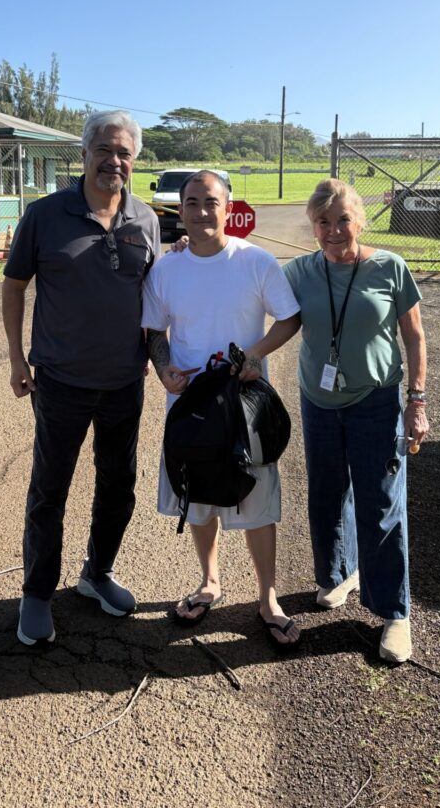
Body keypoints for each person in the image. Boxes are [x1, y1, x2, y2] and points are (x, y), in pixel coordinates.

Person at [2, 110, 160, 645]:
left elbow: (154, 296)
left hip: (124, 383)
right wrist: (16, 358)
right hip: (61, 383)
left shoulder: (145, 220)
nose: (114, 161)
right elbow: (14, 285)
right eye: (105, 150)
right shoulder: (45, 215)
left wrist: (157, 354)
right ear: (85, 153)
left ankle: (97, 573)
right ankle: (36, 593)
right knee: (50, 490)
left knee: (118, 486)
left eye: (124, 153)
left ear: (134, 161)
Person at [142, 171, 302, 651]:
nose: (201, 211)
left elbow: (290, 317)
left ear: (228, 208)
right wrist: (164, 367)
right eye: (192, 202)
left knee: (257, 502)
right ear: (180, 210)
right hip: (189, 407)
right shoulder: (167, 269)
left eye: (211, 202)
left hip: (245, 406)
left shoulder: (255, 261)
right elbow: (155, 331)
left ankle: (268, 598)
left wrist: (254, 354)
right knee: (197, 498)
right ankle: (209, 581)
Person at [282, 179, 428, 663]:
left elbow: (414, 337)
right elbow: (246, 279)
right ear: (313, 226)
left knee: (381, 502)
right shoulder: (300, 271)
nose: (333, 230)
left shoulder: (389, 267)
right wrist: (188, 244)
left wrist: (417, 401)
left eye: (343, 219)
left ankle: (394, 612)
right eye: (323, 221)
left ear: (360, 221)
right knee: (326, 493)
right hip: (318, 401)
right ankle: (338, 574)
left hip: (375, 401)